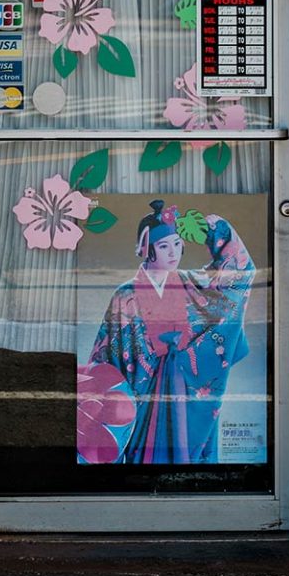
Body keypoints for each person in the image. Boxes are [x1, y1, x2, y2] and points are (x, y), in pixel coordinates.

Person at [85, 198, 255, 465]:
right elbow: (109, 356)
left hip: (186, 386)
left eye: (177, 244)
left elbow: (240, 274)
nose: (173, 252)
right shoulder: (125, 295)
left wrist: (211, 229)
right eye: (164, 246)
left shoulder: (190, 282)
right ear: (146, 249)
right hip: (145, 389)